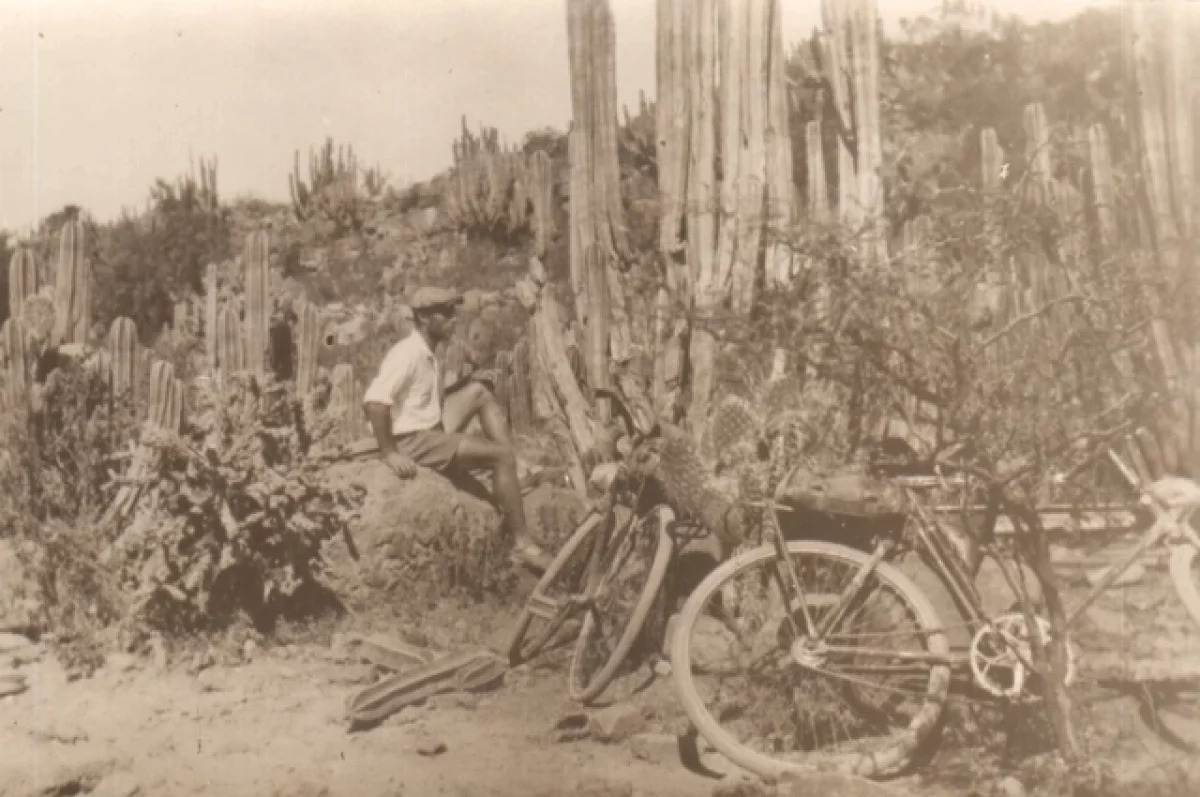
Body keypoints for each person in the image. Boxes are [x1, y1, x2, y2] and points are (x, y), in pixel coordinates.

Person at [362, 286, 551, 571]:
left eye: (454, 311)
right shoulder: (408, 353)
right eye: (446, 313)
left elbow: (426, 400)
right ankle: (522, 544)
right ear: (425, 319)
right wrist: (390, 452)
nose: (454, 319)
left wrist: (469, 380)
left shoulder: (426, 352)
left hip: (429, 429)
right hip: (414, 440)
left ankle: (513, 475)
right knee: (500, 456)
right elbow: (375, 401)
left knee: (479, 392)